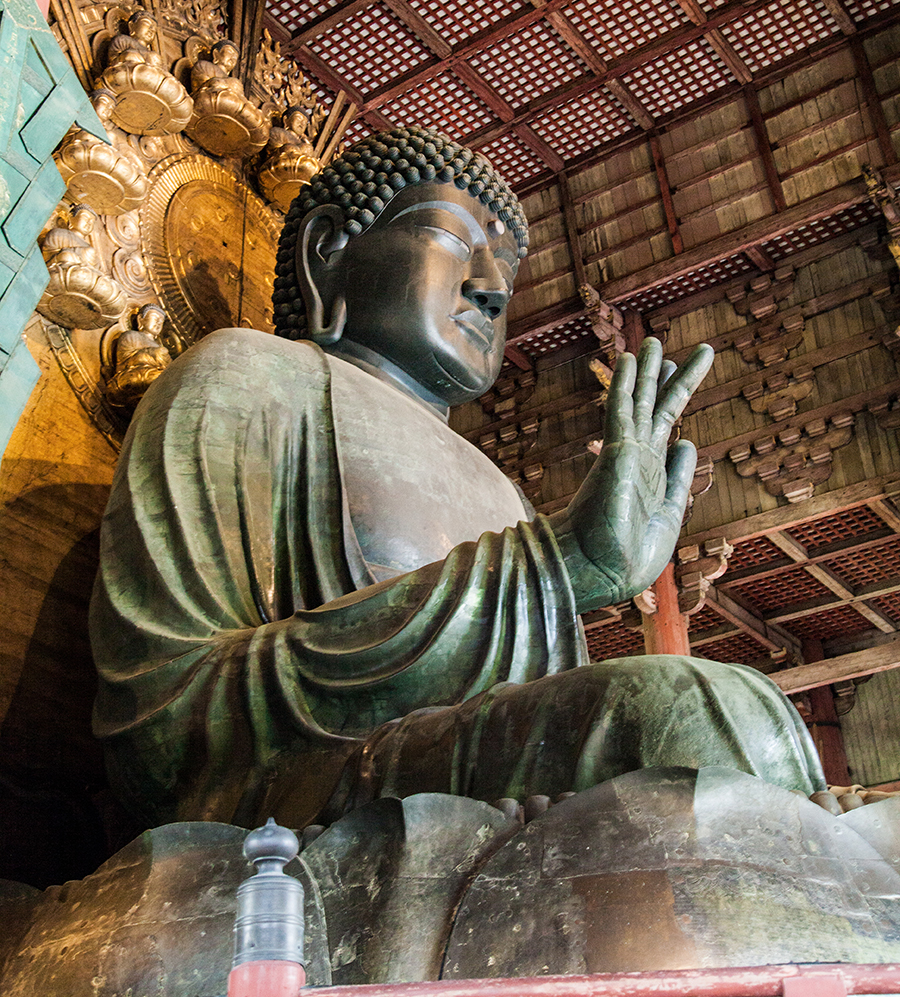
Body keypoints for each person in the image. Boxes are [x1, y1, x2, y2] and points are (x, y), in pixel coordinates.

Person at [91, 127, 825, 831]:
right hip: (307, 787)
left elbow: (535, 715)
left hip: (469, 772)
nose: (494, 290)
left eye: (505, 268)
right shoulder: (246, 376)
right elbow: (167, 719)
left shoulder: (498, 488)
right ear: (327, 254)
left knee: (748, 718)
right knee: (689, 715)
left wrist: (557, 570)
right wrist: (556, 565)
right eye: (453, 241)